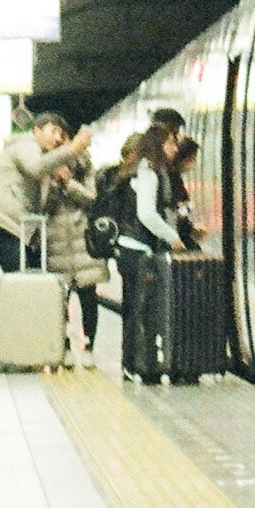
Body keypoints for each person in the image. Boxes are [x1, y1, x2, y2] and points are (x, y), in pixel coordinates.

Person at [0, 112, 89, 293]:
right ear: (37, 130)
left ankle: (17, 314)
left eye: (62, 135)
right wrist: (71, 150)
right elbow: (34, 167)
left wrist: (61, 181)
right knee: (21, 280)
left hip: (8, 225)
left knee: (24, 277)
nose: (58, 138)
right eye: (54, 131)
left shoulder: (45, 158)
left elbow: (42, 205)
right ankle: (19, 316)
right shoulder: (26, 144)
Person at [108, 130, 183, 381]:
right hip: (138, 249)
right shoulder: (148, 172)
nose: (175, 148)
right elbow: (147, 214)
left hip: (129, 248)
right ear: (158, 144)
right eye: (171, 142)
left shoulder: (138, 169)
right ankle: (138, 364)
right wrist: (173, 238)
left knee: (134, 309)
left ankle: (133, 364)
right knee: (141, 310)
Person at [38, 157, 107, 362]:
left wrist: (69, 183)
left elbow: (93, 200)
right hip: (57, 243)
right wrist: (54, 183)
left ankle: (89, 343)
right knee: (59, 298)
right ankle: (63, 342)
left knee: (89, 297)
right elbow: (41, 205)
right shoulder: (45, 171)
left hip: (83, 243)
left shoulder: (86, 169)